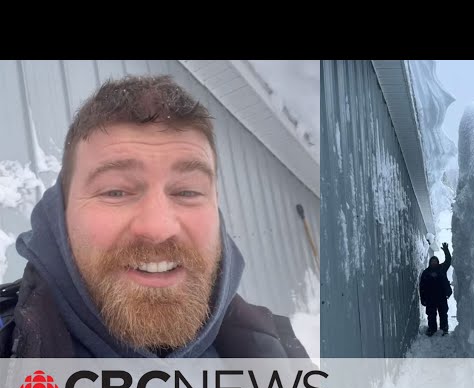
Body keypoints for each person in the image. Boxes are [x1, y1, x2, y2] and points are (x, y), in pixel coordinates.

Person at [0, 74, 309, 359]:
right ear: (61, 214)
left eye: (187, 192)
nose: (158, 228)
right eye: (115, 192)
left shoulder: (282, 355)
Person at [419, 242, 452, 336]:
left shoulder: (442, 268)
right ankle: (432, 329)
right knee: (431, 315)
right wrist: (423, 299)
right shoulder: (426, 272)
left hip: (441, 296)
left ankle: (444, 328)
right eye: (432, 262)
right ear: (430, 263)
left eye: (435, 261)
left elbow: (448, 261)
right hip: (430, 298)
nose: (434, 263)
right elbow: (422, 287)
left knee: (443, 313)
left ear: (437, 262)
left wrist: (446, 250)